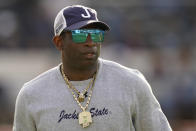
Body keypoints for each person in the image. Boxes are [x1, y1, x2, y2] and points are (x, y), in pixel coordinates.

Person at [13, 5, 172, 131]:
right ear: (59, 42)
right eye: (80, 34)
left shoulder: (131, 83)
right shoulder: (31, 94)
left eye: (96, 34)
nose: (91, 42)